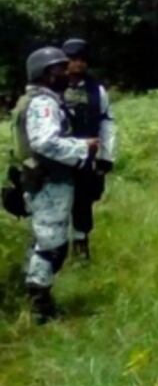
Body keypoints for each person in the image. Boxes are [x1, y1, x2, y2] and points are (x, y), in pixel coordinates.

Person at [11, 47, 98, 323]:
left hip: (44, 181)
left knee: (44, 241)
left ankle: (36, 295)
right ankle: (40, 306)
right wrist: (83, 146)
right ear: (46, 74)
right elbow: (45, 142)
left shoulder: (35, 99)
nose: (66, 73)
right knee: (52, 245)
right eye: (59, 69)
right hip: (49, 183)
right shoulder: (43, 103)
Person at [61, 38, 117, 259]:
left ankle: (81, 246)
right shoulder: (52, 86)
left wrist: (106, 156)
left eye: (82, 60)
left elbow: (107, 122)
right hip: (58, 156)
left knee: (84, 201)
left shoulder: (96, 90)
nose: (78, 64)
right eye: (73, 59)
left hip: (87, 157)